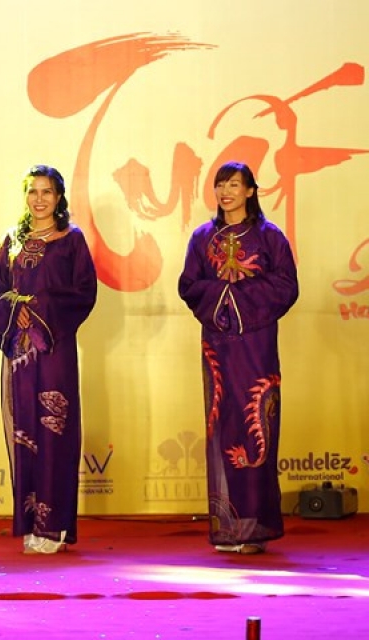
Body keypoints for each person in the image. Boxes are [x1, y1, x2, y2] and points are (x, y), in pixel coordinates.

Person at [178, 161, 298, 554]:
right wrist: (222, 296)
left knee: (256, 424)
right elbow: (190, 285)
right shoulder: (201, 237)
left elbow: (285, 286)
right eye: (220, 184)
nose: (226, 191)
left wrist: (240, 296)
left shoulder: (269, 236)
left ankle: (255, 527)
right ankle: (228, 527)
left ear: (250, 190)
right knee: (223, 423)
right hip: (218, 346)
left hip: (257, 345)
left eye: (234, 184)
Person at [0, 165, 97, 554]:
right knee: (25, 431)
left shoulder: (72, 241)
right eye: (32, 191)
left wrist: (41, 308)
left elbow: (84, 293)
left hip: (54, 348)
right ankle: (32, 523)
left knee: (55, 431)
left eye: (47, 192)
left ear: (59, 197)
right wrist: (12, 308)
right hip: (19, 352)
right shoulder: (11, 241)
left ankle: (56, 527)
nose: (39, 199)